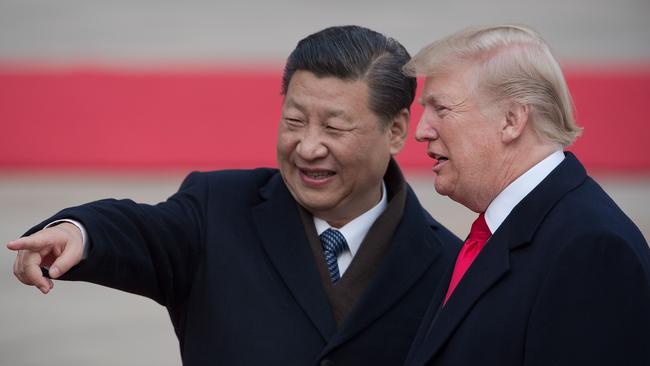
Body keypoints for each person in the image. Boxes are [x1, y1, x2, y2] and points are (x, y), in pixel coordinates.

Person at [6, 25, 460, 366]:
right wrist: (79, 232)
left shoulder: (449, 266)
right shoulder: (218, 209)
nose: (307, 147)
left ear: (396, 129)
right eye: (294, 121)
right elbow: (143, 231)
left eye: (335, 127)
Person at [401, 24, 650, 366]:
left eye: (440, 109)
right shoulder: (506, 230)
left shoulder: (590, 248)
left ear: (511, 120)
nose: (421, 131)